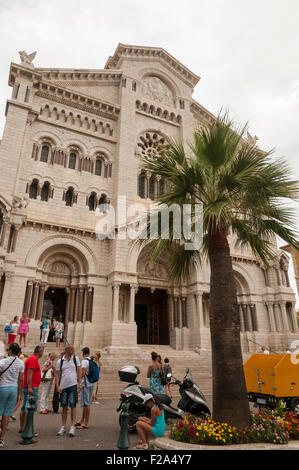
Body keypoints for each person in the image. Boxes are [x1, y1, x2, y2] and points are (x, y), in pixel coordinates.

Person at [0, 343, 24, 447]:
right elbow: (20, 380)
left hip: (3, 387)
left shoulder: (3, 361)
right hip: (13, 389)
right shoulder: (21, 364)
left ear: (10, 351)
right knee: (7, 414)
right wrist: (19, 393)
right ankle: (1, 439)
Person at [55, 344, 81, 437]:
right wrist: (57, 386)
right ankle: (63, 426)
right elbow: (57, 374)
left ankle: (73, 426)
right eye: (71, 349)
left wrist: (80, 383)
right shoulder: (60, 361)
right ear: (67, 350)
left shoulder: (75, 359)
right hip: (63, 386)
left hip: (73, 385)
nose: (73, 350)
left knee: (73, 405)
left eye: (73, 349)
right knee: (64, 406)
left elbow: (79, 371)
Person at [19, 345, 44, 434]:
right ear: (40, 351)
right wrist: (30, 387)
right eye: (42, 351)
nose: (43, 353)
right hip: (31, 386)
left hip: (28, 385)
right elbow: (30, 373)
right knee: (29, 408)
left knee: (24, 407)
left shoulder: (31, 359)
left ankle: (22, 428)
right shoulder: (33, 359)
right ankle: (27, 429)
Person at [75, 347, 94, 429]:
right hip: (90, 383)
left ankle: (86, 423)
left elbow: (82, 374)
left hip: (85, 384)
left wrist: (79, 383)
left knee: (87, 404)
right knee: (86, 403)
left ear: (83, 353)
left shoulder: (84, 361)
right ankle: (82, 420)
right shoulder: (91, 360)